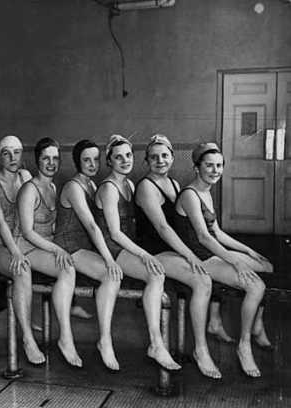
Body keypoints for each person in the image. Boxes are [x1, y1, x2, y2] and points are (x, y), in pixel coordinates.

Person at [173, 142, 272, 377]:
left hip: (212, 250)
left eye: (219, 165)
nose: (215, 170)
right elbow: (204, 238)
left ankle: (257, 324)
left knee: (267, 266)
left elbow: (217, 231)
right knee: (257, 285)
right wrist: (235, 261)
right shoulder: (189, 194)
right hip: (200, 257)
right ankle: (244, 345)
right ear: (197, 168)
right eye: (209, 166)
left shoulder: (206, 191)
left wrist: (247, 251)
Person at [134, 134, 219, 378]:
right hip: (154, 253)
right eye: (154, 157)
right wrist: (190, 255)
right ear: (146, 161)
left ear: (172, 157)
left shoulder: (174, 184)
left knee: (214, 268)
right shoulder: (146, 187)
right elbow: (163, 228)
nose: (160, 160)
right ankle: (200, 350)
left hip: (173, 250)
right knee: (202, 280)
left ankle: (214, 323)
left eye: (165, 155)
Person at [94, 134, 181, 371]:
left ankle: (156, 344)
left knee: (157, 272)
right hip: (112, 249)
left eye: (128, 155)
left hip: (127, 248)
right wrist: (144, 255)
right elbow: (114, 233)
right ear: (109, 161)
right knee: (156, 274)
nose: (125, 160)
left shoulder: (130, 185)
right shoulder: (110, 188)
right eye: (118, 157)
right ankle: (146, 342)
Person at [54, 140, 123, 370]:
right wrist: (109, 259)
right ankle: (96, 340)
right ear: (77, 162)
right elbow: (92, 226)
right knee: (111, 275)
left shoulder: (92, 186)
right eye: (86, 160)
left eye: (95, 159)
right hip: (69, 247)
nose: (92, 164)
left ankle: (105, 339)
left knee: (112, 274)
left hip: (84, 248)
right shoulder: (74, 186)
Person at [16, 137, 82, 367]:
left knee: (69, 266)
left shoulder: (53, 187)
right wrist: (57, 249)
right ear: (37, 161)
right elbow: (27, 232)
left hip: (45, 245)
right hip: (26, 247)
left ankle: (65, 335)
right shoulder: (29, 189)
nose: (51, 163)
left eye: (55, 158)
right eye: (46, 158)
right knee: (67, 267)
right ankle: (63, 337)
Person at [0, 135, 45, 365]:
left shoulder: (26, 177)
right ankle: (27, 338)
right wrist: (16, 252)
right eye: (6, 153)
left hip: (18, 239)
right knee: (22, 270)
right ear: (0, 157)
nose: (12, 157)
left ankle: (28, 319)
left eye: (16, 152)